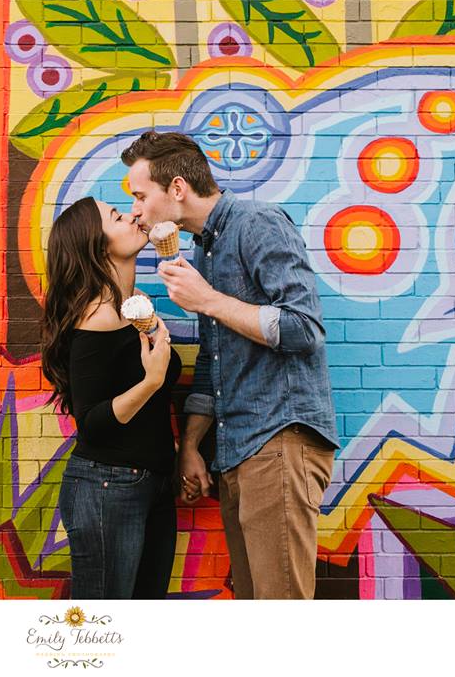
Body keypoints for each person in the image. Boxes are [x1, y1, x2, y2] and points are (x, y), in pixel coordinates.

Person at [122, 130, 339, 599]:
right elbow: (214, 358)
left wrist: (209, 300)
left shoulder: (257, 224)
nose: (136, 209)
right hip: (238, 449)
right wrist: (193, 445)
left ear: (177, 189)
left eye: (141, 196)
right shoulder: (205, 248)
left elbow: (305, 329)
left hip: (279, 436)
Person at [41, 195, 181, 599]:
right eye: (117, 216)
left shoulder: (130, 310)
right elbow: (93, 423)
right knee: (102, 629)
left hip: (149, 482)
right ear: (97, 245)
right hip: (108, 486)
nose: (134, 214)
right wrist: (150, 383)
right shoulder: (97, 316)